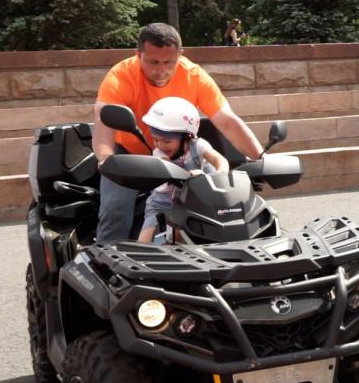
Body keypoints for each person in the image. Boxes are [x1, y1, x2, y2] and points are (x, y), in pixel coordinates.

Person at [93, 22, 262, 242]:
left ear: (180, 55)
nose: (161, 70)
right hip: (130, 156)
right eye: (153, 62)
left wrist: (261, 158)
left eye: (168, 62)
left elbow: (227, 121)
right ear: (138, 54)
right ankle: (106, 258)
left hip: (183, 155)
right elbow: (104, 121)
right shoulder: (121, 76)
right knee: (115, 209)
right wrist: (106, 159)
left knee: (222, 201)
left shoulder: (194, 75)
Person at [137, 97, 229, 243]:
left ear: (186, 137)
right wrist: (189, 175)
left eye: (167, 141)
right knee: (145, 241)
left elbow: (220, 160)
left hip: (195, 202)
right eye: (155, 140)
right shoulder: (159, 154)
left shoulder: (198, 145)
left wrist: (219, 174)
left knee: (189, 239)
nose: (160, 145)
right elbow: (168, 169)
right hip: (163, 203)